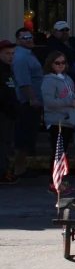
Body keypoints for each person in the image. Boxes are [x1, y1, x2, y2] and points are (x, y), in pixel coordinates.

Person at [41, 51, 75, 194]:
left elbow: (72, 95)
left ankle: (61, 181)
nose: (61, 65)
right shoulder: (48, 80)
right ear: (50, 64)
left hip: (68, 121)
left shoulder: (68, 79)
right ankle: (55, 183)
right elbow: (49, 101)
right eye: (57, 63)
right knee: (57, 152)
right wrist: (70, 103)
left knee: (63, 152)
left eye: (63, 62)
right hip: (56, 121)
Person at [12, 27, 44, 178]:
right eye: (25, 38)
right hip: (27, 103)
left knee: (29, 135)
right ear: (18, 40)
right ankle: (19, 168)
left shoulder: (29, 54)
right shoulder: (20, 57)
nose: (29, 39)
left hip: (34, 102)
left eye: (30, 37)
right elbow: (24, 82)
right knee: (23, 136)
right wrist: (32, 99)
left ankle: (23, 166)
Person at [0, 41, 19, 184]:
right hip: (3, 113)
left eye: (13, 53)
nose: (10, 57)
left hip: (10, 113)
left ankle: (4, 171)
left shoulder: (10, 70)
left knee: (6, 143)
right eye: (7, 53)